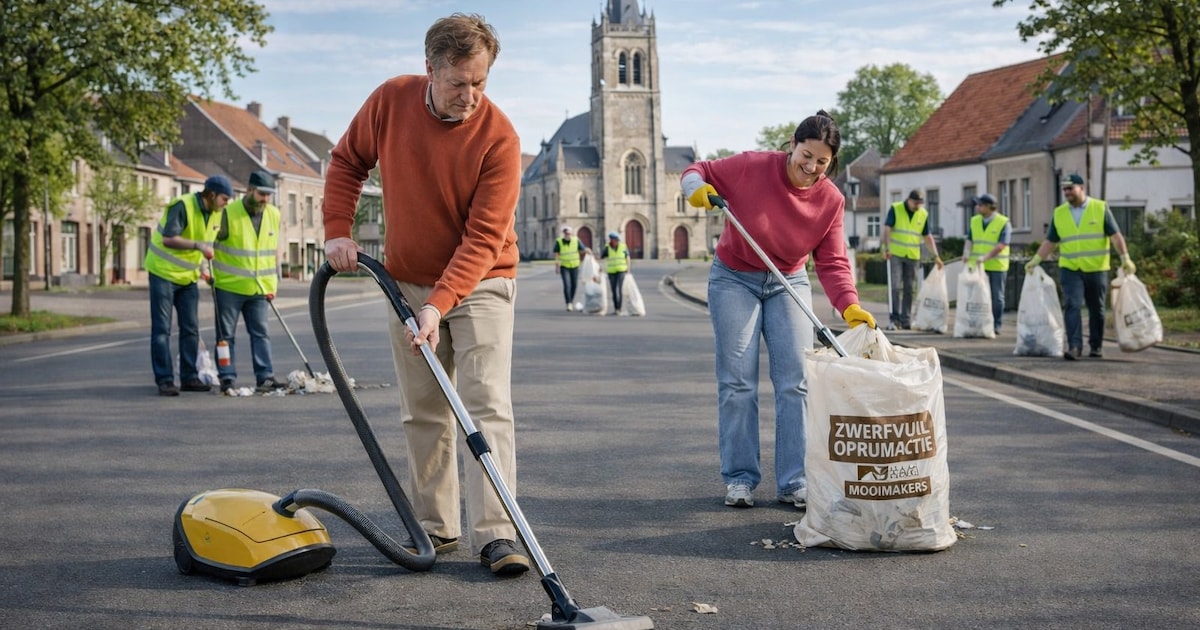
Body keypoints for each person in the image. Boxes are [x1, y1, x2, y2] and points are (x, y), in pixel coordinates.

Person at [321, 13, 529, 577]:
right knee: (425, 410)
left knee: (485, 405)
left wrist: (440, 305)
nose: (470, 97)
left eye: (481, 83)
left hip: (483, 281)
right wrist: (337, 229)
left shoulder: (500, 138)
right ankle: (434, 526)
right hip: (408, 281)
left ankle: (498, 534)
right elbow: (346, 161)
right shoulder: (390, 101)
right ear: (430, 69)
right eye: (459, 82)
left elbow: (484, 238)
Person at [681, 110, 876, 511]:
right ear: (792, 145)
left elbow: (833, 262)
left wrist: (849, 306)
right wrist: (695, 187)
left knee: (795, 382)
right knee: (738, 381)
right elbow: (696, 169)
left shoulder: (831, 200)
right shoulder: (753, 167)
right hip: (734, 277)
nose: (811, 167)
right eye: (806, 155)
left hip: (788, 280)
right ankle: (739, 478)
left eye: (822, 162)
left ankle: (794, 481)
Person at [1026, 173, 1136, 360]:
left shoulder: (1100, 208)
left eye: (1071, 188)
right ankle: (1075, 346)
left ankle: (1096, 346)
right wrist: (1036, 259)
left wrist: (1125, 258)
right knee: (1072, 305)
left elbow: (1115, 236)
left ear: (1082, 188)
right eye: (1065, 189)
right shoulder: (1059, 213)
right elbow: (1051, 241)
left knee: (1096, 308)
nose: (1067, 192)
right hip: (1070, 268)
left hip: (1096, 268)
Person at [145, 175, 232, 396]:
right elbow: (168, 238)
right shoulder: (182, 205)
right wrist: (198, 246)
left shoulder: (215, 213)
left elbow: (204, 243)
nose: (226, 203)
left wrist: (202, 271)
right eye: (224, 198)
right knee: (162, 330)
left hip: (188, 277)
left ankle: (188, 377)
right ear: (211, 195)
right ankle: (165, 380)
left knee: (191, 329)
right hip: (163, 273)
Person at [211, 170, 286, 394]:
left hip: (260, 289)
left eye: (269, 195)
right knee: (225, 337)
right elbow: (210, 243)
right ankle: (226, 377)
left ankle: (265, 376)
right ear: (250, 190)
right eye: (262, 194)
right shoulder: (227, 213)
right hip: (228, 287)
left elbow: (274, 251)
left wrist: (273, 284)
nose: (265, 199)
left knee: (261, 333)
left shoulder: (273, 214)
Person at [882, 189, 944, 330]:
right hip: (895, 254)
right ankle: (894, 318)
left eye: (920, 204)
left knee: (909, 288)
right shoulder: (896, 209)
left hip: (913, 256)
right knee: (895, 286)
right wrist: (886, 248)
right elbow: (887, 229)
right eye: (915, 203)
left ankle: (906, 320)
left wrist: (936, 256)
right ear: (908, 200)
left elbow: (927, 237)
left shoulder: (923, 214)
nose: (917, 206)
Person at [962, 193, 1010, 335]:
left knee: (997, 297)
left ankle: (996, 325)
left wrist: (986, 257)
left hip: (996, 266)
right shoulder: (975, 221)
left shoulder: (1003, 222)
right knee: (976, 297)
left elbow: (1002, 244)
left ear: (990, 207)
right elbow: (970, 239)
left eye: (980, 205)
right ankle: (978, 322)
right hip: (976, 266)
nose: (978, 207)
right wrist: (966, 253)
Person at [553, 226, 584, 311]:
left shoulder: (576, 240)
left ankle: (571, 300)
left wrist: (585, 255)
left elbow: (582, 250)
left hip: (575, 266)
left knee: (574, 285)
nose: (568, 235)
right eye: (566, 234)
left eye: (569, 234)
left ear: (571, 234)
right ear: (564, 234)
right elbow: (556, 253)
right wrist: (557, 265)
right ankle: (568, 303)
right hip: (564, 266)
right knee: (567, 285)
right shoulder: (559, 242)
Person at [601, 231, 630, 315]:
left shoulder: (623, 246)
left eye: (614, 240)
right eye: (611, 240)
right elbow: (602, 257)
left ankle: (619, 308)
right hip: (611, 271)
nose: (612, 241)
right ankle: (616, 308)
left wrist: (628, 269)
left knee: (618, 289)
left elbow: (627, 258)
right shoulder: (607, 247)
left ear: (617, 240)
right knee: (614, 290)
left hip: (621, 270)